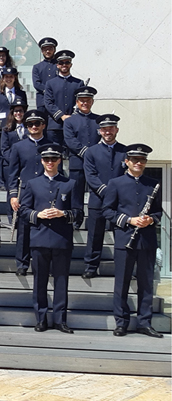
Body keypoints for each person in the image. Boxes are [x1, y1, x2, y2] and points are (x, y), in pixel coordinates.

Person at [102, 144, 164, 338]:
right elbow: (107, 211)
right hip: (125, 238)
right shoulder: (115, 183)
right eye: (135, 160)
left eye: (142, 160)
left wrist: (150, 219)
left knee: (146, 283)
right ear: (127, 161)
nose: (139, 163)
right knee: (122, 283)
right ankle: (121, 323)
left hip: (146, 240)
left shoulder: (153, 183)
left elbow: (158, 211)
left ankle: (144, 323)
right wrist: (129, 220)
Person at [19, 143, 81, 334]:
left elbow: (79, 212)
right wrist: (38, 215)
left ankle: (60, 320)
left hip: (61, 239)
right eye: (46, 159)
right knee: (40, 282)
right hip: (39, 239)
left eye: (54, 159)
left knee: (61, 281)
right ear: (42, 161)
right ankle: (41, 318)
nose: (50, 162)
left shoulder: (70, 183)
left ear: (59, 160)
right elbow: (23, 210)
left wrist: (63, 213)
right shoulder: (32, 183)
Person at [6, 110, 56, 276]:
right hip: (25, 193)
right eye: (29, 124)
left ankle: (45, 264)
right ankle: (22, 263)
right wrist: (13, 195)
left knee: (45, 228)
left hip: (45, 191)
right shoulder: (18, 147)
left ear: (43, 125)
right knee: (24, 229)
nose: (33, 127)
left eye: (37, 124)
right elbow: (12, 173)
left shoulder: (51, 145)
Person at [82, 114, 127, 279]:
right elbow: (91, 176)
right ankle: (91, 267)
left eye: (111, 128)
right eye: (104, 129)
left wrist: (117, 193)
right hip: (97, 200)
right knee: (95, 235)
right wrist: (106, 192)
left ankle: (123, 267)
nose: (108, 132)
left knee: (121, 235)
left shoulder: (125, 151)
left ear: (116, 130)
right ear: (99, 131)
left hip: (121, 202)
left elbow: (128, 175)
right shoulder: (91, 152)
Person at [63, 86, 100, 220]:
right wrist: (88, 153)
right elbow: (70, 140)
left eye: (88, 100)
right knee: (76, 193)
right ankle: (76, 218)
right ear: (77, 102)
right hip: (77, 162)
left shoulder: (98, 120)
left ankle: (95, 218)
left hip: (96, 164)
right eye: (82, 100)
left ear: (92, 102)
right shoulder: (69, 121)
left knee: (96, 191)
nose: (85, 103)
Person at [0, 66, 26, 189]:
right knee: (0, 156)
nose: (9, 79)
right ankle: (2, 181)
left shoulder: (21, 93)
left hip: (15, 127)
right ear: (3, 79)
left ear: (15, 78)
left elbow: (24, 110)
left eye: (11, 77)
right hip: (1, 127)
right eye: (6, 77)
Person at [43, 50, 84, 145]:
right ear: (57, 65)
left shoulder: (78, 83)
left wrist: (72, 116)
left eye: (67, 62)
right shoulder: (50, 83)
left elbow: (81, 103)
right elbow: (48, 103)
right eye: (61, 63)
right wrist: (62, 116)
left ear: (71, 64)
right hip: (55, 126)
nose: (64, 65)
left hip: (74, 124)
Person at [0, 97, 30, 192]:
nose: (18, 113)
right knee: (12, 193)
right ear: (12, 113)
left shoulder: (30, 128)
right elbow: (4, 149)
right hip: (10, 165)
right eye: (16, 111)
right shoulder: (6, 130)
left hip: (26, 165)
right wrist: (14, 161)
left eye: (21, 111)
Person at [31, 37, 58, 113]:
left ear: (54, 50)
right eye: (45, 49)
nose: (48, 51)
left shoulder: (59, 65)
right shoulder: (37, 67)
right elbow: (36, 84)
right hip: (42, 101)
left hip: (57, 100)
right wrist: (49, 91)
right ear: (42, 51)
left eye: (50, 49)